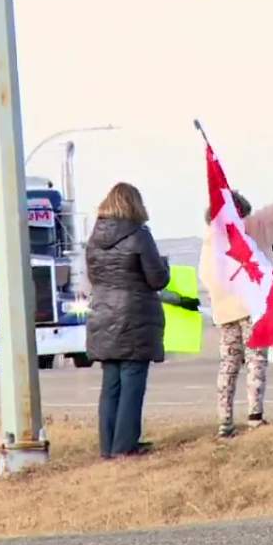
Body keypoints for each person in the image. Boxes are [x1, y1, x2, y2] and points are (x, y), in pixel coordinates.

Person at [199, 178, 273, 438]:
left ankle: (225, 420)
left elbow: (207, 277)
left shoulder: (210, 241)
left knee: (229, 363)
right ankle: (254, 415)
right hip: (254, 306)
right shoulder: (252, 227)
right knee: (256, 360)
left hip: (225, 311)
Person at [86, 183, 170, 459]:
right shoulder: (139, 235)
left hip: (103, 315)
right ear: (135, 204)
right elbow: (157, 278)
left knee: (110, 385)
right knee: (132, 383)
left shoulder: (94, 239)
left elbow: (95, 278)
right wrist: (165, 266)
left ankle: (108, 447)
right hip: (134, 317)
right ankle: (125, 446)